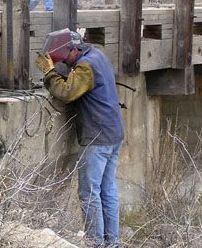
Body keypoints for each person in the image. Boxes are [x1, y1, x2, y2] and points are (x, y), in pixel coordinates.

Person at [35, 28, 124, 246]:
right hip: (113, 134)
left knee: (90, 193)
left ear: (73, 50)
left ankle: (95, 243)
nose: (64, 65)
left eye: (65, 61)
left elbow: (67, 92)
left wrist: (49, 73)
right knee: (107, 192)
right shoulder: (97, 55)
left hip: (98, 138)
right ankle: (112, 244)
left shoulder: (85, 66)